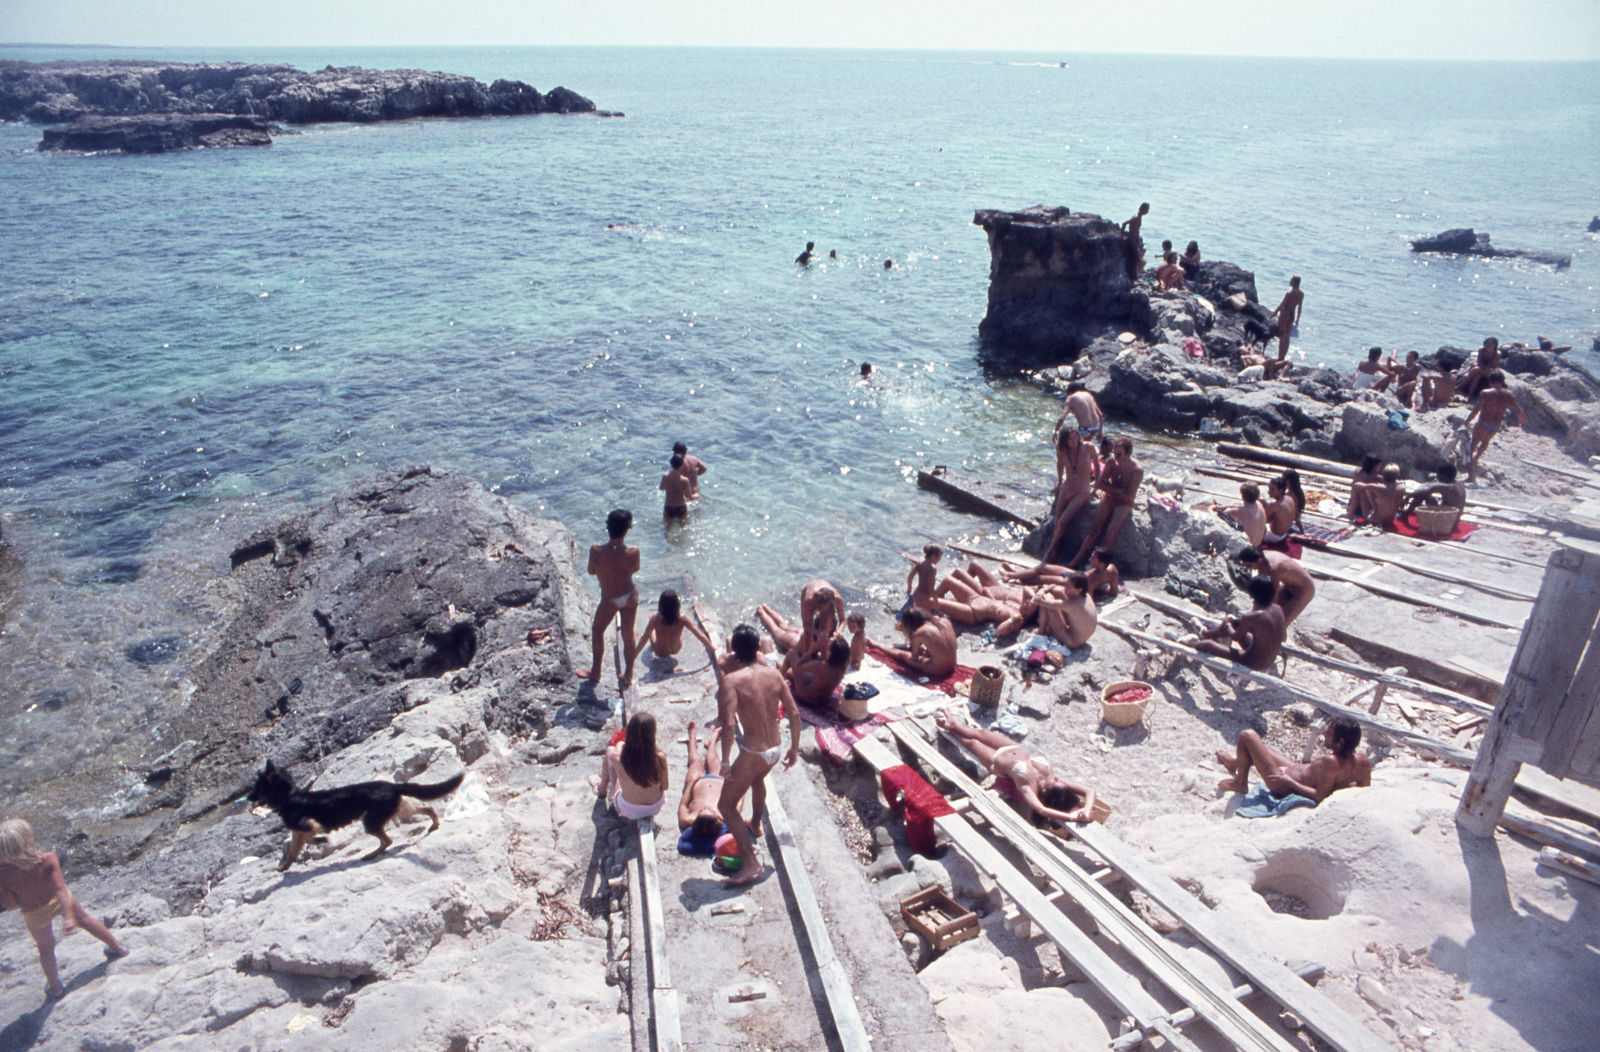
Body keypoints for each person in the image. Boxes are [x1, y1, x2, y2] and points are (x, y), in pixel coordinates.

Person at [0, 818, 129, 999]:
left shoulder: (3, 874)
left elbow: (10, 904)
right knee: (85, 920)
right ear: (27, 840)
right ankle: (117, 948)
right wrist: (69, 917)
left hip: (33, 912)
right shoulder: (47, 859)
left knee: (45, 949)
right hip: (59, 900)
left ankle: (55, 987)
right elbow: (60, 889)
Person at [716, 624, 801, 884]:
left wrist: (726, 760)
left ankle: (751, 862)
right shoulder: (774, 674)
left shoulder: (731, 681)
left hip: (753, 751)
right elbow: (794, 713)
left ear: (733, 652)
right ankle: (754, 823)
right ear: (757, 648)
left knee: (726, 805)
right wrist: (794, 748)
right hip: (775, 748)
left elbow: (729, 724)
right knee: (757, 779)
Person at [933, 710, 1097, 824]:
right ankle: (953, 724)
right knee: (981, 733)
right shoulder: (1055, 781)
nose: (1055, 778)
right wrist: (1087, 810)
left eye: (1053, 782)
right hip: (1012, 747)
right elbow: (1090, 790)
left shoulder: (1028, 788)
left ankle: (951, 730)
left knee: (971, 742)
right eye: (1056, 779)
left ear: (1046, 792)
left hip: (997, 761)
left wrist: (1072, 818)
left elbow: (1042, 810)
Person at [1216, 719, 1371, 803]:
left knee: (1247, 735)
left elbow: (1318, 796)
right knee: (1261, 749)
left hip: (1281, 784)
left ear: (1340, 742)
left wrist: (1288, 782)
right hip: (1296, 769)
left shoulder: (1331, 762)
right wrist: (1339, 785)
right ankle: (1233, 763)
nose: (1324, 732)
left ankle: (1240, 783)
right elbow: (1363, 791)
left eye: (1329, 733)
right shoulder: (1363, 761)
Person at [576, 509, 641, 686]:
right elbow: (634, 569)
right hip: (629, 595)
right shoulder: (634, 551)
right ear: (627, 529)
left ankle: (596, 671)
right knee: (628, 635)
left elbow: (591, 571)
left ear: (608, 528)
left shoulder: (596, 551)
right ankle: (628, 675)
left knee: (598, 631)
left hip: (610, 598)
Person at [1068, 437, 1142, 569]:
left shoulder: (1137, 470)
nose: (1115, 456)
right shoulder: (1112, 462)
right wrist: (1115, 491)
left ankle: (1106, 566)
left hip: (1125, 502)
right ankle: (1075, 560)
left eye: (1119, 453)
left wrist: (1113, 490)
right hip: (1111, 497)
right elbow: (1100, 483)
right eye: (1114, 452)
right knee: (1094, 530)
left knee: (1110, 532)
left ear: (1128, 453)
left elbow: (1130, 495)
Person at [1192, 575, 1286, 671]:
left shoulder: (1252, 616)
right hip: (1268, 659)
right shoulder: (1278, 609)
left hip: (1254, 662)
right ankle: (1205, 633)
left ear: (1251, 594)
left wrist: (1227, 624)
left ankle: (1192, 644)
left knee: (1208, 645)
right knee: (1236, 624)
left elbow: (1235, 637)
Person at [594, 711, 670, 820]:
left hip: (629, 809)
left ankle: (601, 790)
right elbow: (665, 786)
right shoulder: (659, 757)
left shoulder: (620, 758)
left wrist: (620, 744)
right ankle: (604, 789)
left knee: (610, 752)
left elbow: (617, 750)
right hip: (655, 806)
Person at [1044, 427, 1096, 563]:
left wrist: (1097, 487)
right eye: (1070, 439)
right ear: (1064, 441)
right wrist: (1060, 481)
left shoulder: (1088, 447)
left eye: (1075, 437)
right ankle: (1055, 551)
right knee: (1057, 522)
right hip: (1067, 487)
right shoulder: (1062, 450)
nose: (1074, 441)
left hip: (1082, 490)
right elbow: (1060, 465)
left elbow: (1097, 466)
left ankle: (1048, 554)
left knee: (1062, 521)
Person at [1464, 371, 1526, 482]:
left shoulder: (1486, 393)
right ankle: (1476, 458)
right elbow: (1518, 410)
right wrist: (1522, 420)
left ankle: (1470, 474)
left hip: (1483, 423)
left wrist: (1467, 421)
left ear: (1490, 381)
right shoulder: (1509, 395)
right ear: (1502, 381)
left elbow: (1476, 409)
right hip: (1495, 425)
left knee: (1473, 445)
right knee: (1485, 442)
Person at [676, 721, 727, 849]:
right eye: (710, 811)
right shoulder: (724, 817)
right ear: (717, 820)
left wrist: (691, 783)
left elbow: (683, 804)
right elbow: (738, 802)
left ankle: (692, 739)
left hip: (697, 783)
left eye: (702, 811)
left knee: (695, 761)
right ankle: (712, 741)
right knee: (713, 758)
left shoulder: (688, 819)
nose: (706, 808)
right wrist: (731, 783)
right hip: (718, 780)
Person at [1238, 546, 1315, 625]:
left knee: (1280, 624)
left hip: (1304, 591)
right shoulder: (1262, 557)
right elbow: (1261, 592)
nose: (1249, 569)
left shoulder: (1273, 568)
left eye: (1249, 566)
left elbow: (1273, 597)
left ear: (1259, 561)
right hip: (1288, 586)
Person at [638, 589, 715, 665]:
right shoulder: (682, 618)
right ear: (677, 604)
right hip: (676, 649)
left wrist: (633, 655)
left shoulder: (655, 619)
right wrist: (713, 649)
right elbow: (700, 635)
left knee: (651, 629)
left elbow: (644, 638)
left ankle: (652, 628)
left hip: (660, 651)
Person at [887, 606, 957, 676]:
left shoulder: (920, 632)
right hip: (953, 663)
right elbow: (952, 646)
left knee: (903, 654)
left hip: (939, 670)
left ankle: (878, 645)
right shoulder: (945, 621)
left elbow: (914, 658)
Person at [1034, 574, 1098, 648]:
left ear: (1079, 590)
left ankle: (1041, 631)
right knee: (1058, 590)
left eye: (1069, 586)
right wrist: (1045, 589)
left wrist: (1041, 591)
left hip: (1071, 641)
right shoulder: (1085, 595)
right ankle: (1046, 628)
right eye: (1066, 584)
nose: (1065, 587)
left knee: (1048, 597)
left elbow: (1039, 601)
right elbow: (1055, 585)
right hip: (1082, 635)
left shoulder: (1073, 605)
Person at [789, 636, 851, 709]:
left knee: (792, 652)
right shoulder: (842, 669)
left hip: (807, 697)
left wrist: (811, 650)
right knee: (795, 673)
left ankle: (781, 673)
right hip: (824, 700)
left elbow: (798, 667)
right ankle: (785, 672)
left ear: (832, 653)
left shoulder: (820, 666)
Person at [1350, 463, 1405, 528]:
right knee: (1372, 490)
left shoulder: (1379, 487)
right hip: (1390, 521)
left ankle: (1350, 514)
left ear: (1384, 475)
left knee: (1362, 490)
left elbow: (1357, 484)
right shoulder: (1401, 488)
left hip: (1376, 521)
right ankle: (1372, 510)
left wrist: (1370, 478)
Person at [1267, 276, 1303, 360]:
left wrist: (1272, 316)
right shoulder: (1301, 294)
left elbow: (1281, 306)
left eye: (1291, 280)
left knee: (1282, 336)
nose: (1290, 281)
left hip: (1284, 314)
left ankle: (1280, 358)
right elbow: (1299, 308)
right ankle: (1283, 357)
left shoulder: (1289, 294)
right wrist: (1297, 319)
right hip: (1292, 315)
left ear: (1294, 282)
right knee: (1287, 337)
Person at [1221, 482, 1268, 547]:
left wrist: (1211, 508)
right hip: (1258, 543)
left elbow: (1218, 515)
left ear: (1242, 496)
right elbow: (1240, 506)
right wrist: (1223, 506)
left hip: (1247, 547)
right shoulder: (1259, 504)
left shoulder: (1239, 511)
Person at [904, 543, 942, 615]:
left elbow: (910, 576)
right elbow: (930, 588)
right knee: (926, 615)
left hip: (916, 594)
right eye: (940, 557)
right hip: (924, 597)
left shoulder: (919, 564)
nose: (940, 559)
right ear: (934, 556)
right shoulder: (932, 569)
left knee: (918, 613)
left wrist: (909, 588)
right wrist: (936, 600)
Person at [1261, 477, 1296, 548]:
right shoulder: (1289, 498)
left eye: (1272, 489)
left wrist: (1262, 503)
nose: (1269, 491)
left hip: (1274, 536)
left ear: (1281, 490)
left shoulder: (1274, 505)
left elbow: (1261, 520)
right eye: (1269, 488)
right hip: (1284, 534)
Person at [660, 454, 695, 520]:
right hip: (681, 507)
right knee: (683, 529)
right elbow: (689, 497)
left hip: (669, 506)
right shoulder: (685, 480)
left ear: (671, 464)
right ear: (682, 465)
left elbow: (661, 488)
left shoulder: (665, 476)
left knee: (667, 529)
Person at [1121, 202, 1150, 280]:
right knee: (1137, 258)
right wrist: (1122, 236)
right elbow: (1124, 223)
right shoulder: (1136, 217)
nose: (1147, 211)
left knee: (1136, 257)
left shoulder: (1139, 217)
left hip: (1135, 238)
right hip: (1132, 238)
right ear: (1142, 208)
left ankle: (1134, 275)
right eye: (1147, 209)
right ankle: (1133, 276)